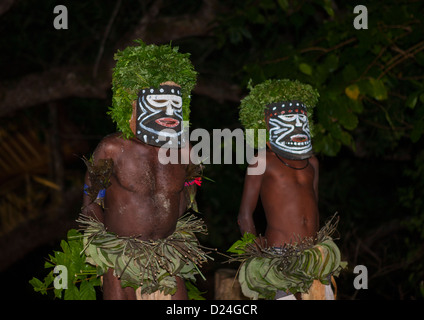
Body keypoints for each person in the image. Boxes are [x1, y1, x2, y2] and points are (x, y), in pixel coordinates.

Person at [79, 40, 210, 300]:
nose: (169, 112)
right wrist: (108, 253)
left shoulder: (185, 151)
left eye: (175, 103)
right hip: (120, 259)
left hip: (166, 256)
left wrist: (191, 181)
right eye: (159, 101)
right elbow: (90, 202)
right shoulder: (111, 149)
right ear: (132, 103)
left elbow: (187, 194)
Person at [235, 79, 345, 300]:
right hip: (280, 254)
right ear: (267, 125)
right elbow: (244, 215)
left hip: (314, 255)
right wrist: (255, 251)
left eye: (300, 120)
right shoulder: (262, 160)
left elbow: (312, 206)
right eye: (287, 121)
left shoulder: (312, 163)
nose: (296, 127)